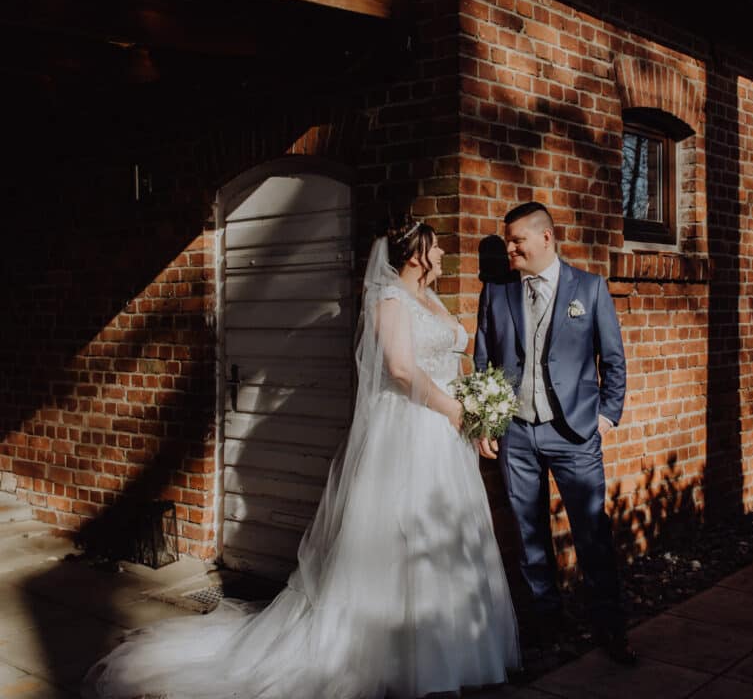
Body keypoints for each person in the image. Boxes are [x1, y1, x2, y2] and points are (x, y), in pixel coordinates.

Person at [83, 222, 520, 699]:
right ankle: (396, 657)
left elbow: (451, 356)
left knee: (447, 534)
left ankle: (452, 648)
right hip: (411, 431)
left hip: (445, 434)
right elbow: (398, 368)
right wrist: (453, 407)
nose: (441, 253)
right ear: (415, 253)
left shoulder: (433, 299)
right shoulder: (390, 299)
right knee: (401, 534)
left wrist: (477, 409)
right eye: (434, 246)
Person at [473, 202, 634, 664]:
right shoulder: (497, 291)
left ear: (546, 238)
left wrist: (606, 415)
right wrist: (486, 421)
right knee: (529, 536)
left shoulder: (589, 287)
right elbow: (484, 361)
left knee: (592, 533)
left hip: (575, 435)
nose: (510, 248)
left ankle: (610, 629)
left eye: (517, 239)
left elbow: (614, 359)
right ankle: (547, 625)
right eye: (507, 240)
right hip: (517, 436)